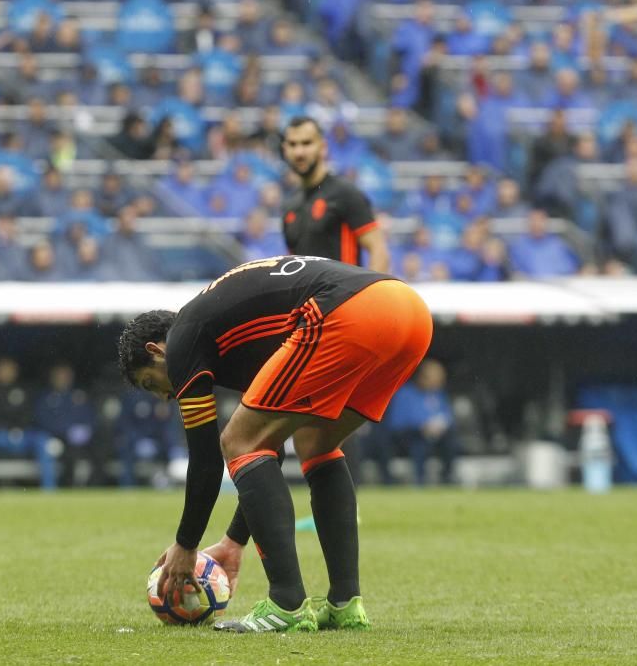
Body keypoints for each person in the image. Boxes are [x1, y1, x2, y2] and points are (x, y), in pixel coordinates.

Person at [117, 256, 433, 632]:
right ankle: (345, 603)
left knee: (236, 439)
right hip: (407, 310)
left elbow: (206, 459)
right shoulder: (229, 335)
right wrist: (234, 541)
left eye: (152, 384)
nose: (166, 397)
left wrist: (186, 545)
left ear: (156, 350)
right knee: (315, 442)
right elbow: (270, 445)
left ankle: (286, 604)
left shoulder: (185, 340)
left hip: (351, 312)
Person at [280, 117, 390, 272]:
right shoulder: (289, 205)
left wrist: (371, 296)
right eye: (293, 144)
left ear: (323, 147)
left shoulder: (345, 193)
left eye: (306, 143)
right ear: (285, 149)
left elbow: (378, 250)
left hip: (346, 295)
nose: (299, 152)